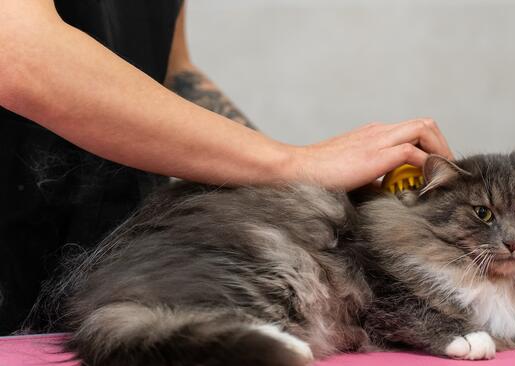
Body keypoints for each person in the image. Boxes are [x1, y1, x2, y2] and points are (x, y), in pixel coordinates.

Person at [0, 0, 453, 334]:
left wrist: (302, 191)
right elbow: (18, 52)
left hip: (110, 258)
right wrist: (296, 164)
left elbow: (174, 74)